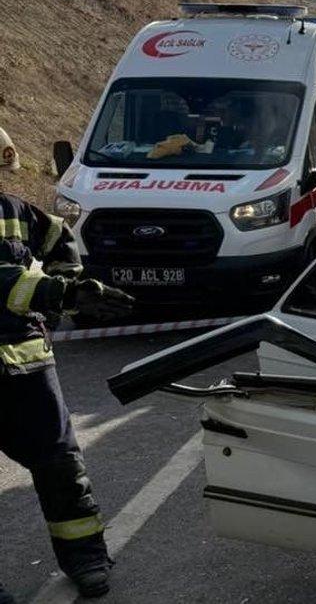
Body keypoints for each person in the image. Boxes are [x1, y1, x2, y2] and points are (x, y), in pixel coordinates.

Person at [0, 127, 136, 601]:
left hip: (28, 370)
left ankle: (86, 557)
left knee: (61, 467)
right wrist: (64, 294)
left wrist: (74, 284)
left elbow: (60, 242)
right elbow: (5, 281)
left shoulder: (14, 211)